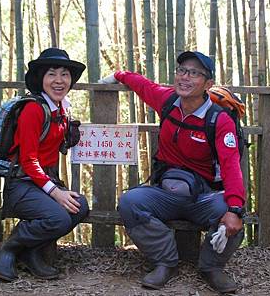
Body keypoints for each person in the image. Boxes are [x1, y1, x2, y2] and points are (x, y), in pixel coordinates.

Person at [99, 51, 244, 293]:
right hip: (164, 193)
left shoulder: (218, 120)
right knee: (129, 202)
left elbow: (231, 166)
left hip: (202, 197)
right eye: (182, 71)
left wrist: (235, 208)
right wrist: (118, 74)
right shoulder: (167, 101)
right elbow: (142, 85)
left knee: (230, 211)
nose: (185, 77)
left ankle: (212, 267)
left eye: (195, 73)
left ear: (208, 84)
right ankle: (165, 261)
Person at [0, 47, 89, 282]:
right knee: (58, 218)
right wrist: (55, 192)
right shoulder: (33, 109)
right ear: (40, 79)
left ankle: (32, 252)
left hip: (43, 182)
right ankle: (9, 249)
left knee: (80, 206)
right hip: (22, 184)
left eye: (64, 74)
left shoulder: (61, 109)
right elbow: (28, 160)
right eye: (51, 74)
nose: (59, 80)